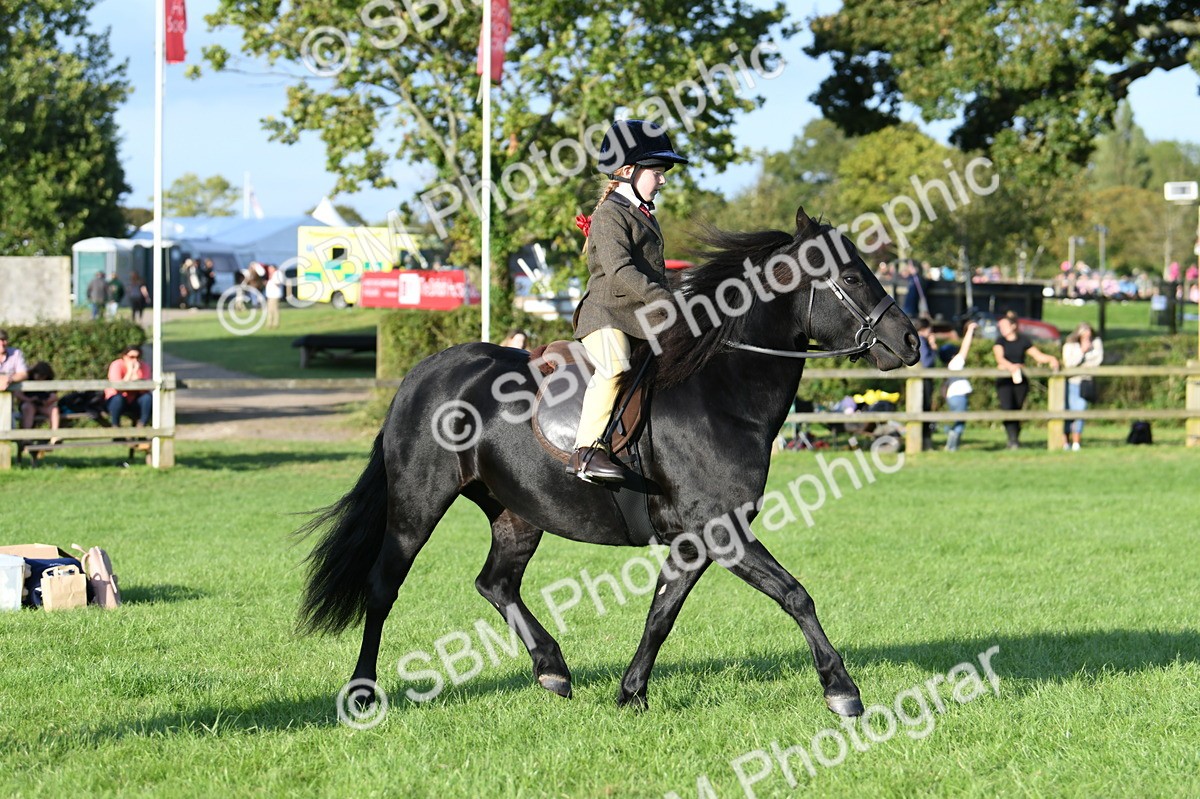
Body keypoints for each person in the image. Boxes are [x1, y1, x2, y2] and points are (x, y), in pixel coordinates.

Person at [568, 119, 687, 482]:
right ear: (627, 171)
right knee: (615, 367)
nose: (663, 179)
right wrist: (664, 300)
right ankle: (586, 452)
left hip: (638, 316)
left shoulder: (641, 214)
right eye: (657, 171)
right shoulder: (609, 215)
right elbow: (620, 271)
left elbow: (653, 272)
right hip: (605, 315)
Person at [992, 311, 1059, 449]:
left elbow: (1037, 356)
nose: (1002, 329)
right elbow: (1000, 358)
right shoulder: (1000, 341)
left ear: (1013, 326)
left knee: (1017, 408)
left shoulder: (1023, 341)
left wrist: (1051, 359)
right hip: (1005, 380)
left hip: (1019, 380)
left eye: (1004, 326)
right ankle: (1012, 439)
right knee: (1007, 408)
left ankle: (1015, 438)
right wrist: (1011, 367)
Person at [1061, 322, 1104, 451]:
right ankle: (1065, 443)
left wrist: (1083, 360)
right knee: (1067, 413)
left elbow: (1097, 361)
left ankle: (1076, 443)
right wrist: (1082, 351)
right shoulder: (1070, 345)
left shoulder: (1096, 343)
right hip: (1072, 381)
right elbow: (1069, 363)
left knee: (1080, 411)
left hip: (1085, 382)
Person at [940, 321, 978, 451]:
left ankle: (951, 443)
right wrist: (970, 331)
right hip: (958, 397)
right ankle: (951, 447)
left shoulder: (950, 365)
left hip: (954, 397)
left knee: (958, 420)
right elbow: (965, 348)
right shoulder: (955, 363)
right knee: (960, 422)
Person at [105, 345, 152, 427]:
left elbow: (145, 389)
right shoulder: (116, 365)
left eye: (138, 357)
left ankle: (141, 426)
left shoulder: (144, 366)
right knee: (118, 399)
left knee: (147, 398)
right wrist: (130, 372)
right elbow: (118, 387)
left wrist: (136, 373)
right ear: (124, 356)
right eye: (132, 357)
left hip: (135, 400)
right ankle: (115, 427)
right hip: (117, 401)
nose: (135, 360)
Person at [15, 361, 59, 440]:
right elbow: (18, 394)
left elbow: (54, 396)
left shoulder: (49, 380)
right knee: (27, 408)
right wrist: (29, 399)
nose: (41, 379)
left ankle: (54, 436)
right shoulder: (27, 378)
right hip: (29, 403)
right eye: (39, 376)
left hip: (43, 404)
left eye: (43, 377)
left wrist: (48, 401)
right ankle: (26, 437)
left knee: (54, 409)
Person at [915, 317, 937, 450]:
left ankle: (925, 441)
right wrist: (933, 347)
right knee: (924, 408)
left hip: (922, 380)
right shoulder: (922, 341)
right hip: (923, 380)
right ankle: (925, 442)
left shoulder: (919, 340)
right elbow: (927, 362)